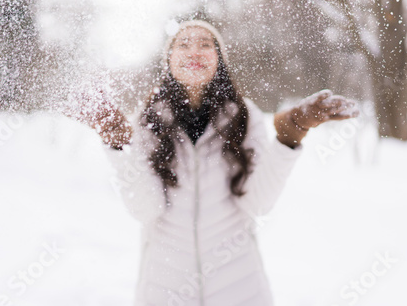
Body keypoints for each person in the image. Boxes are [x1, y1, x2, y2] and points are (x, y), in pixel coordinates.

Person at [70, 20, 358, 306]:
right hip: (164, 291)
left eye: (206, 44)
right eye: (182, 44)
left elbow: (257, 204)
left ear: (219, 60)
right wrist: (118, 144)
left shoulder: (244, 116)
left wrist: (290, 134)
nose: (194, 51)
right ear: (168, 61)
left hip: (240, 291)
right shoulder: (148, 121)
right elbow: (145, 209)